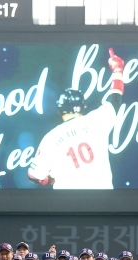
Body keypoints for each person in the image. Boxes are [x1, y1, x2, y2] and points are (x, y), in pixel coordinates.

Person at [27, 47, 124, 189]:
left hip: (70, 204)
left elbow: (34, 175)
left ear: (60, 110)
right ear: (83, 106)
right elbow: (115, 98)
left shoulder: (51, 138)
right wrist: (117, 71)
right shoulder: (97, 120)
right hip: (103, 201)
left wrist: (49, 179)